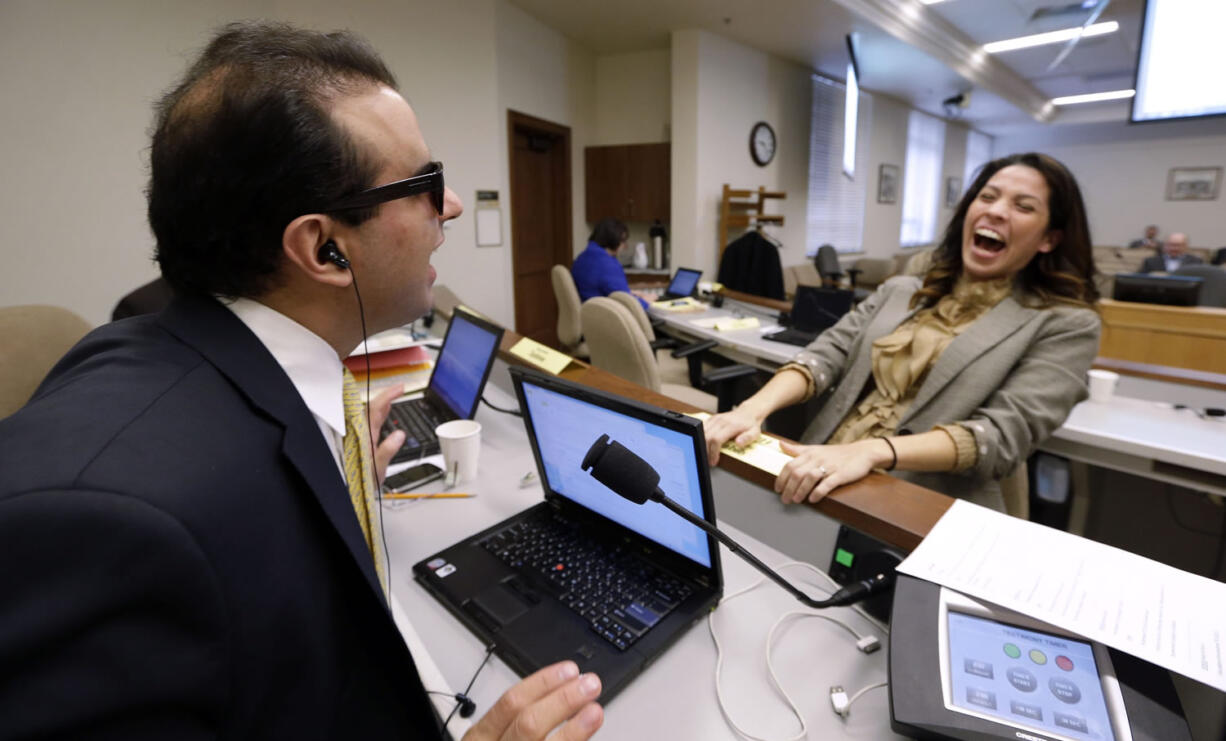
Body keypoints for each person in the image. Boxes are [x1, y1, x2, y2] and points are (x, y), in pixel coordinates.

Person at [0, 22, 603, 740]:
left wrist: (339, 488)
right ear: (324, 248)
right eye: (424, 184)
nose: (450, 208)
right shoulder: (118, 522)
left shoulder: (197, 358)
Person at [705, 153, 1101, 512]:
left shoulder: (1066, 324)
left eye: (1023, 206)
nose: (996, 211)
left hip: (925, 506)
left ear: (1050, 238)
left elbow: (998, 436)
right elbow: (826, 354)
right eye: (988, 196)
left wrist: (872, 452)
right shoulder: (904, 288)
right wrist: (749, 411)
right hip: (817, 472)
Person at [572, 218, 652, 308]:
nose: (625, 246)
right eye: (623, 241)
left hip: (588, 313)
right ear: (613, 240)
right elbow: (627, 303)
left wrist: (631, 293)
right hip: (605, 316)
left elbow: (602, 288)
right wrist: (647, 302)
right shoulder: (608, 265)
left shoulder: (581, 258)